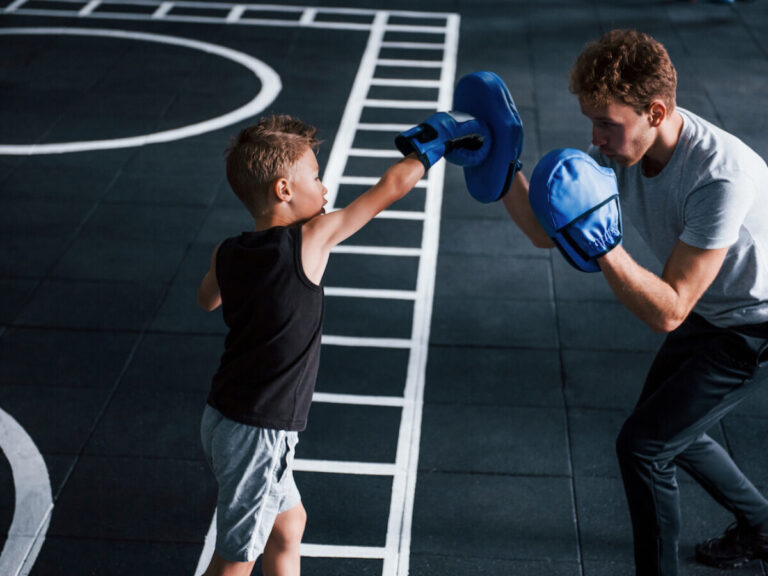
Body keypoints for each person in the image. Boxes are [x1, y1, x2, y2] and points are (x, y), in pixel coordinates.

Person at [499, 29, 768, 575]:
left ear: (656, 110)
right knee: (668, 431)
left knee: (645, 448)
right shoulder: (627, 147)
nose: (596, 138)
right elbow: (547, 233)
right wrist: (502, 168)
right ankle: (763, 526)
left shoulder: (719, 174)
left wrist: (605, 244)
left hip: (754, 325)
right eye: (592, 121)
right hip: (709, 305)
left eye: (607, 123)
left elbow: (668, 310)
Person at [196, 114, 427, 576]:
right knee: (236, 561)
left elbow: (207, 299)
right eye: (316, 178)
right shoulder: (311, 239)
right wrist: (429, 152)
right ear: (284, 190)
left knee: (288, 526)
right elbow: (388, 190)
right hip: (260, 430)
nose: (325, 190)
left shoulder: (227, 251)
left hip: (222, 416)